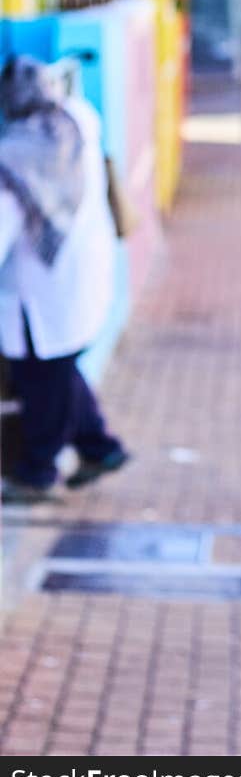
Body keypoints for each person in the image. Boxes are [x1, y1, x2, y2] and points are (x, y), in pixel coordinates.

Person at [0, 55, 130, 504]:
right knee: (60, 368)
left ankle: (37, 470)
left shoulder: (17, 158)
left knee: (41, 378)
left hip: (44, 288)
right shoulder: (78, 120)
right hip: (84, 274)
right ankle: (100, 448)